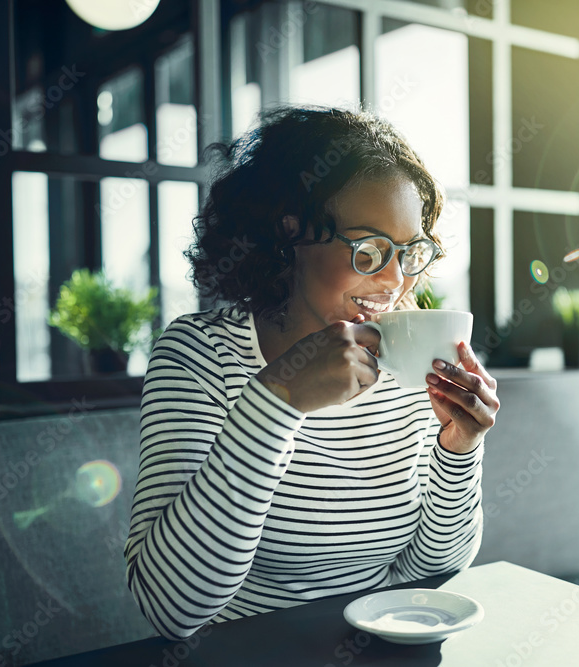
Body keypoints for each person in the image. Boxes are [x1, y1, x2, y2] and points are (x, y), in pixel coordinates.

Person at [124, 106, 500, 641]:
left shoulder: (412, 359)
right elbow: (172, 609)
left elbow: (428, 574)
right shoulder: (199, 355)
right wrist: (279, 400)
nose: (394, 280)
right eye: (370, 250)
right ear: (290, 233)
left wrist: (458, 449)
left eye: (410, 252)